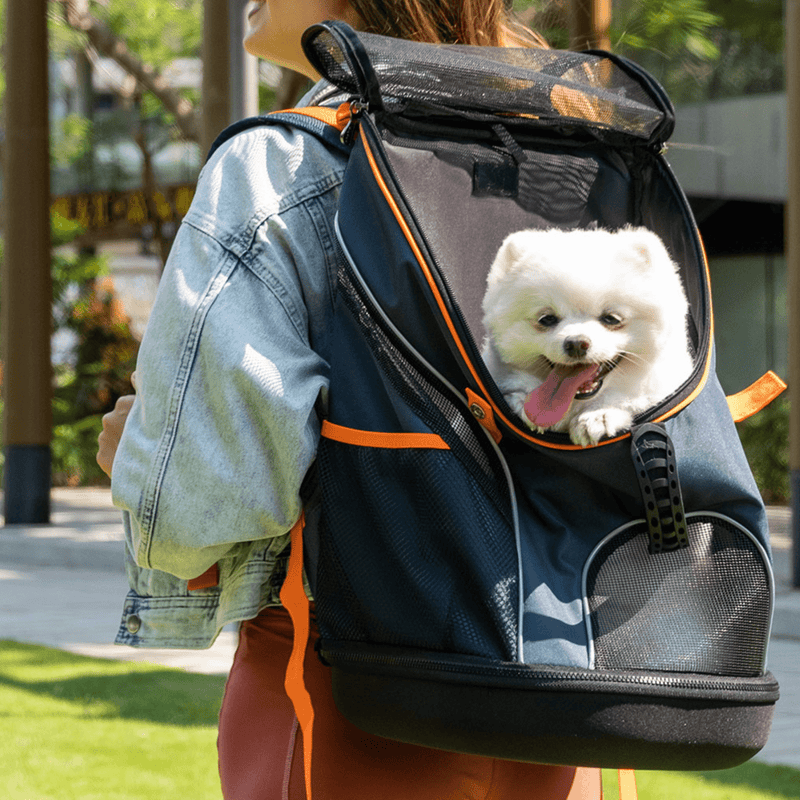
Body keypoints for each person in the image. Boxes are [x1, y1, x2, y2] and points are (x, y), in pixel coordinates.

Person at [98, 1, 602, 798]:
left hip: (352, 697)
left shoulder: (282, 164)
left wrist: (143, 455)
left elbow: (201, 509)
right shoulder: (582, 147)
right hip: (571, 690)